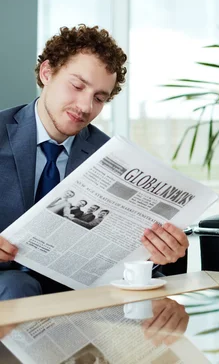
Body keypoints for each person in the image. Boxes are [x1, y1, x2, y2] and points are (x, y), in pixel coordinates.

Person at [0, 25, 189, 301]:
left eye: (99, 98)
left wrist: (158, 254)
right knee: (17, 287)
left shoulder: (109, 154)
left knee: (153, 291)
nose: (86, 106)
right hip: (8, 281)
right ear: (47, 73)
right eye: (77, 86)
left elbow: (126, 251)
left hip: (79, 284)